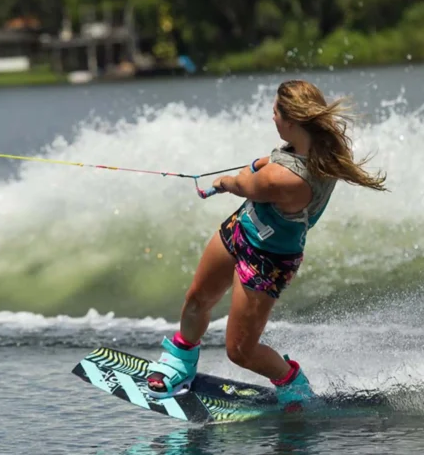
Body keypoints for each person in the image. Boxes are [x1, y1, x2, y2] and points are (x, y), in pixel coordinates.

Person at [146, 79, 387, 406]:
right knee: (197, 299)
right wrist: (260, 163)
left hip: (268, 259)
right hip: (241, 228)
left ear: (290, 120)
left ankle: (294, 384)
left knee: (240, 351)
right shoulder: (313, 146)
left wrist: (224, 181)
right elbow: (269, 163)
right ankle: (180, 362)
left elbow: (245, 184)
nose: (271, 117)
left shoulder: (288, 178)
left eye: (275, 111)